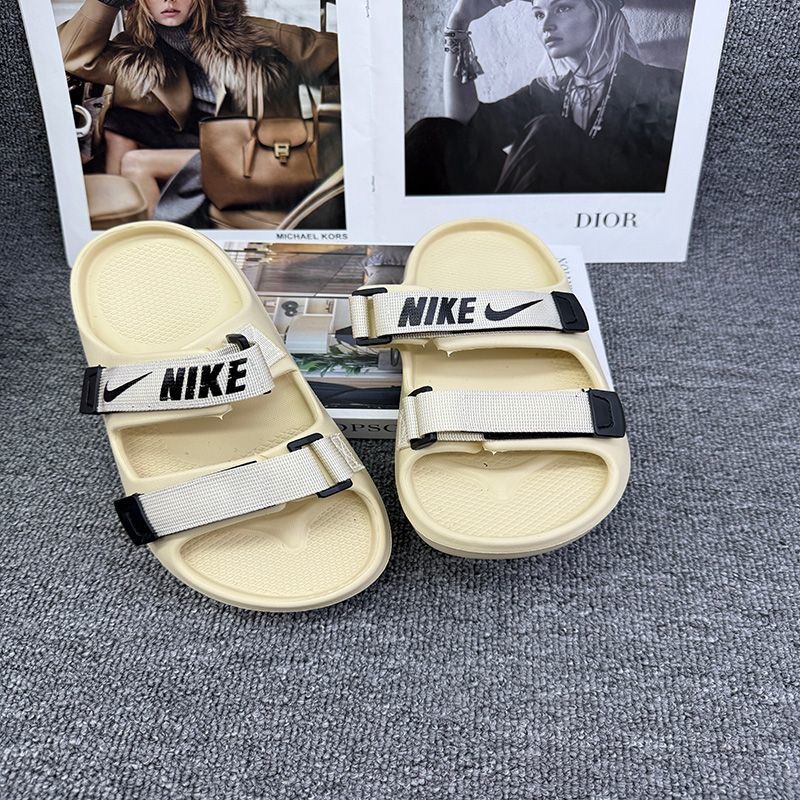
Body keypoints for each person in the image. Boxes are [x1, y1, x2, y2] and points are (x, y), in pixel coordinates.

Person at [60, 0, 338, 216]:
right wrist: (106, 3)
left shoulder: (260, 34)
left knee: (135, 163)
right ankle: (119, 225)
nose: (169, 1)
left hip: (256, 151)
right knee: (120, 123)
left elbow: (345, 56)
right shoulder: (138, 50)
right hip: (205, 139)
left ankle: (155, 243)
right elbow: (70, 55)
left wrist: (318, 124)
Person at [405, 0, 683, 195]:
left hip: (600, 220)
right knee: (432, 134)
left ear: (601, 12)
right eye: (539, 15)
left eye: (563, 8)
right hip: (532, 219)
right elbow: (464, 125)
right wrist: (458, 23)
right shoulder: (546, 92)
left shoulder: (662, 85)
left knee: (550, 132)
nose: (547, 25)